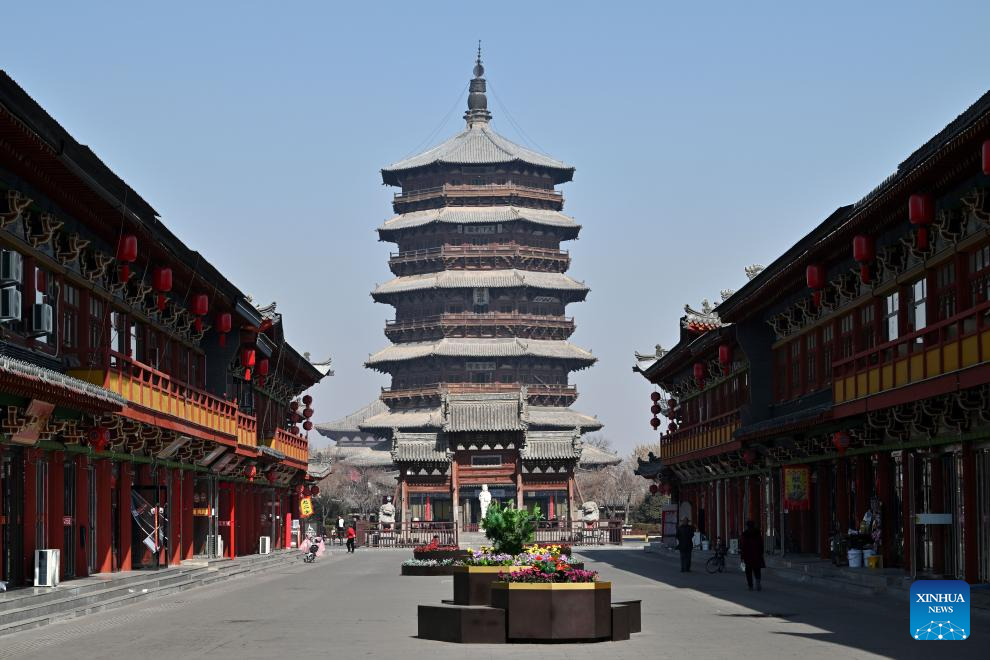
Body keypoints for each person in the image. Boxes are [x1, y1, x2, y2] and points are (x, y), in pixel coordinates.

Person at [740, 520, 766, 591]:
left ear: (747, 526)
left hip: (747, 556)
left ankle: (750, 586)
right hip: (757, 555)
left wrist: (742, 557)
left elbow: (743, 546)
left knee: (748, 572)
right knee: (757, 570)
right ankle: (758, 583)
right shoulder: (757, 533)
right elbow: (761, 544)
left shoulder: (745, 534)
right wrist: (761, 553)